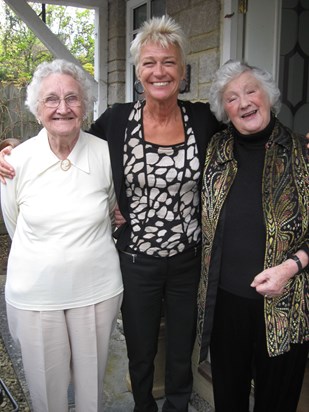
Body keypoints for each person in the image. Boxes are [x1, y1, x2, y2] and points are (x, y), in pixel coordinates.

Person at [0, 59, 123, 412]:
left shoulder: (106, 154)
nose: (63, 108)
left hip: (96, 291)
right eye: (51, 99)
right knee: (47, 391)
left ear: (84, 105)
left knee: (90, 392)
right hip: (37, 294)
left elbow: (114, 212)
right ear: (36, 109)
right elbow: (14, 224)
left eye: (72, 98)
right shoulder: (15, 162)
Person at [196, 60, 309, 412]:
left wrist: (290, 268)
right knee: (228, 399)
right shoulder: (215, 149)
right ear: (225, 111)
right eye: (231, 98)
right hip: (226, 304)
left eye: (250, 90)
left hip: (285, 306)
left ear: (268, 96)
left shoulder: (302, 152)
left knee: (277, 402)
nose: (243, 102)